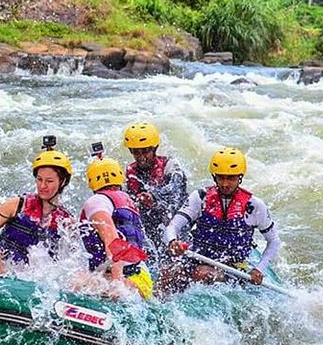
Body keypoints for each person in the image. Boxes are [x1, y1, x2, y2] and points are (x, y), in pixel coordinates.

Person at [159, 147, 281, 294]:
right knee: (167, 273)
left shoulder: (254, 205)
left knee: (201, 273)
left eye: (231, 178)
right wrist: (173, 242)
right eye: (221, 177)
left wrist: (259, 269)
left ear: (240, 178)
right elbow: (172, 227)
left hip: (234, 267)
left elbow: (274, 241)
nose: (225, 184)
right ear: (214, 176)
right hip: (198, 257)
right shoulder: (200, 197)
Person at [0, 136, 73, 274]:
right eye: (39, 179)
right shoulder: (16, 205)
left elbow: (66, 266)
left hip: (26, 278)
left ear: (63, 182)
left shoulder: (66, 222)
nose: (42, 186)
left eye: (49, 181)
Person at [78, 148, 153, 299]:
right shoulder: (127, 201)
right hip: (142, 280)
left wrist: (117, 284)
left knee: (75, 281)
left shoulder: (96, 201)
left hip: (124, 281)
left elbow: (113, 240)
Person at [123, 122, 188, 260]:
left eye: (145, 150)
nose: (141, 157)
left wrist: (153, 195)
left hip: (173, 221)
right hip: (149, 224)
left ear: (155, 148)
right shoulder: (130, 171)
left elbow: (175, 188)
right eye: (136, 152)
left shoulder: (170, 164)